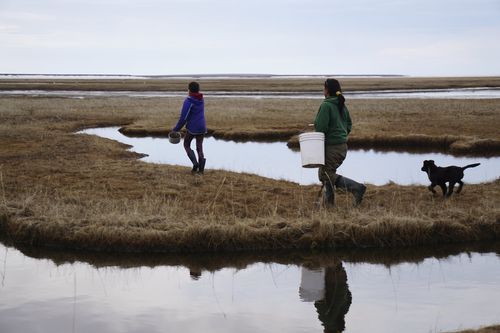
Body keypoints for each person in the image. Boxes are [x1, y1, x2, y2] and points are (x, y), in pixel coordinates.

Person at [314, 78, 366, 206]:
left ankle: (357, 188)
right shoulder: (341, 104)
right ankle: (328, 204)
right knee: (327, 173)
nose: (323, 90)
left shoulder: (326, 105)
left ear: (327, 90)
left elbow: (321, 128)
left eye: (324, 87)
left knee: (326, 175)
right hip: (342, 146)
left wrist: (318, 125)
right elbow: (348, 124)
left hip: (331, 147)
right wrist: (341, 135)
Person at [172, 81, 207, 174]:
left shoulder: (189, 101)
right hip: (202, 127)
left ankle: (195, 164)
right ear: (198, 90)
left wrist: (176, 129)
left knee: (186, 144)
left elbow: (183, 118)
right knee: (199, 147)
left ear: (189, 90)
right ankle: (201, 171)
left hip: (193, 127)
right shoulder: (201, 99)